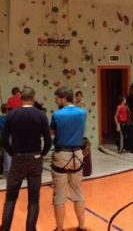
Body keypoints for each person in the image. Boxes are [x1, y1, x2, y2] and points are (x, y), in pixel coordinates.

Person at [0, 86, 52, 231]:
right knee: (34, 199)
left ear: (20, 99)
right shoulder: (41, 115)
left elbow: (3, 141)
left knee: (10, 198)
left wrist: (12, 153)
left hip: (18, 159)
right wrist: (42, 154)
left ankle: (5, 228)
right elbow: (48, 141)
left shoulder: (11, 115)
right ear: (34, 98)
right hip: (35, 158)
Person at [50, 87, 87, 231]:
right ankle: (82, 226)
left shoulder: (57, 114)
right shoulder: (82, 113)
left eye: (57, 98)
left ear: (63, 98)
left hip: (62, 154)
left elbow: (52, 132)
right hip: (78, 154)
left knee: (59, 193)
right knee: (77, 192)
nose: (55, 101)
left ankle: (59, 228)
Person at [0, 103, 9, 179]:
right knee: (11, 155)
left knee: (1, 155)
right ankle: (10, 172)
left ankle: (0, 173)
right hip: (9, 138)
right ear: (7, 110)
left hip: (2, 138)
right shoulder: (10, 117)